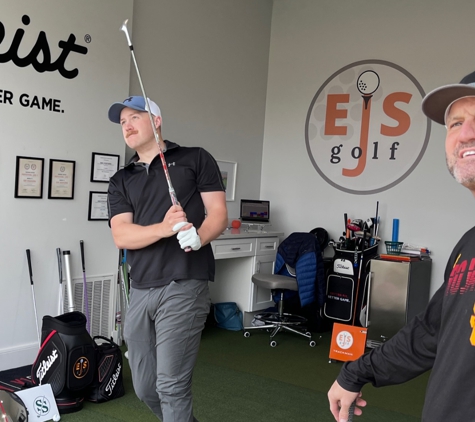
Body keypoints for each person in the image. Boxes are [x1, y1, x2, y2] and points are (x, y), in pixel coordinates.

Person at [327, 70, 475, 422]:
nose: (466, 134)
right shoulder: (468, 245)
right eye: (455, 123)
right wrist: (356, 371)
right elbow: (432, 332)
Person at [107, 95, 228, 422]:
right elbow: (122, 235)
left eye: (134, 118)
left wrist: (199, 236)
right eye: (122, 122)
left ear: (156, 121)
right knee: (146, 387)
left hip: (184, 282)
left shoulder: (194, 159)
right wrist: (163, 228)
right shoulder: (121, 179)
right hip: (141, 289)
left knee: (171, 385)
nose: (127, 126)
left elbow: (218, 213)